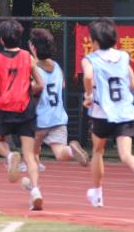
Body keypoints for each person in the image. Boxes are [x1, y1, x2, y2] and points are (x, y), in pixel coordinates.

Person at [82, 18, 134, 207]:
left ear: (95, 41)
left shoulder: (90, 59)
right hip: (124, 112)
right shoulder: (123, 57)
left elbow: (88, 76)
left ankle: (97, 195)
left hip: (101, 112)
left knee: (98, 151)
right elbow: (133, 84)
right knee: (126, 154)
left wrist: (89, 95)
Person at [0, 19, 45, 210]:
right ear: (19, 38)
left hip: (4, 107)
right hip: (25, 107)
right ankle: (35, 191)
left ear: (1, 40)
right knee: (30, 154)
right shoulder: (27, 57)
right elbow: (40, 84)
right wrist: (27, 87)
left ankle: (10, 156)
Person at [27, 28, 89, 169]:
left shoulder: (33, 69)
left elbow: (34, 87)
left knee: (31, 149)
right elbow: (63, 85)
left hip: (40, 119)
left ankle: (33, 169)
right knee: (60, 153)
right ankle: (71, 151)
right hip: (58, 117)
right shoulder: (56, 67)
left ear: (34, 48)